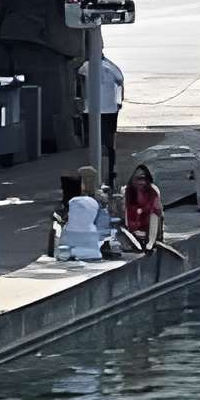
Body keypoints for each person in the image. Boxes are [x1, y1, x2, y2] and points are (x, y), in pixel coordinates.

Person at [48, 169, 111, 264]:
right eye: (86, 179)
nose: (87, 182)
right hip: (87, 244)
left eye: (90, 179)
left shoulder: (91, 200)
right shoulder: (85, 201)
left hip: (76, 244)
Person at [83, 50, 125, 184]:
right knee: (109, 141)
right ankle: (111, 169)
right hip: (110, 109)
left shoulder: (86, 66)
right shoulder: (111, 67)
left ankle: (93, 168)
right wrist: (119, 102)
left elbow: (79, 76)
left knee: (93, 140)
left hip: (91, 110)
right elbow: (120, 80)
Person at [120, 161, 169, 256]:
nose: (140, 183)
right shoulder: (127, 191)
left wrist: (150, 242)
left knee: (154, 212)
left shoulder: (153, 191)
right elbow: (125, 213)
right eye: (138, 179)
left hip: (149, 231)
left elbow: (156, 216)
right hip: (133, 233)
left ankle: (149, 242)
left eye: (143, 179)